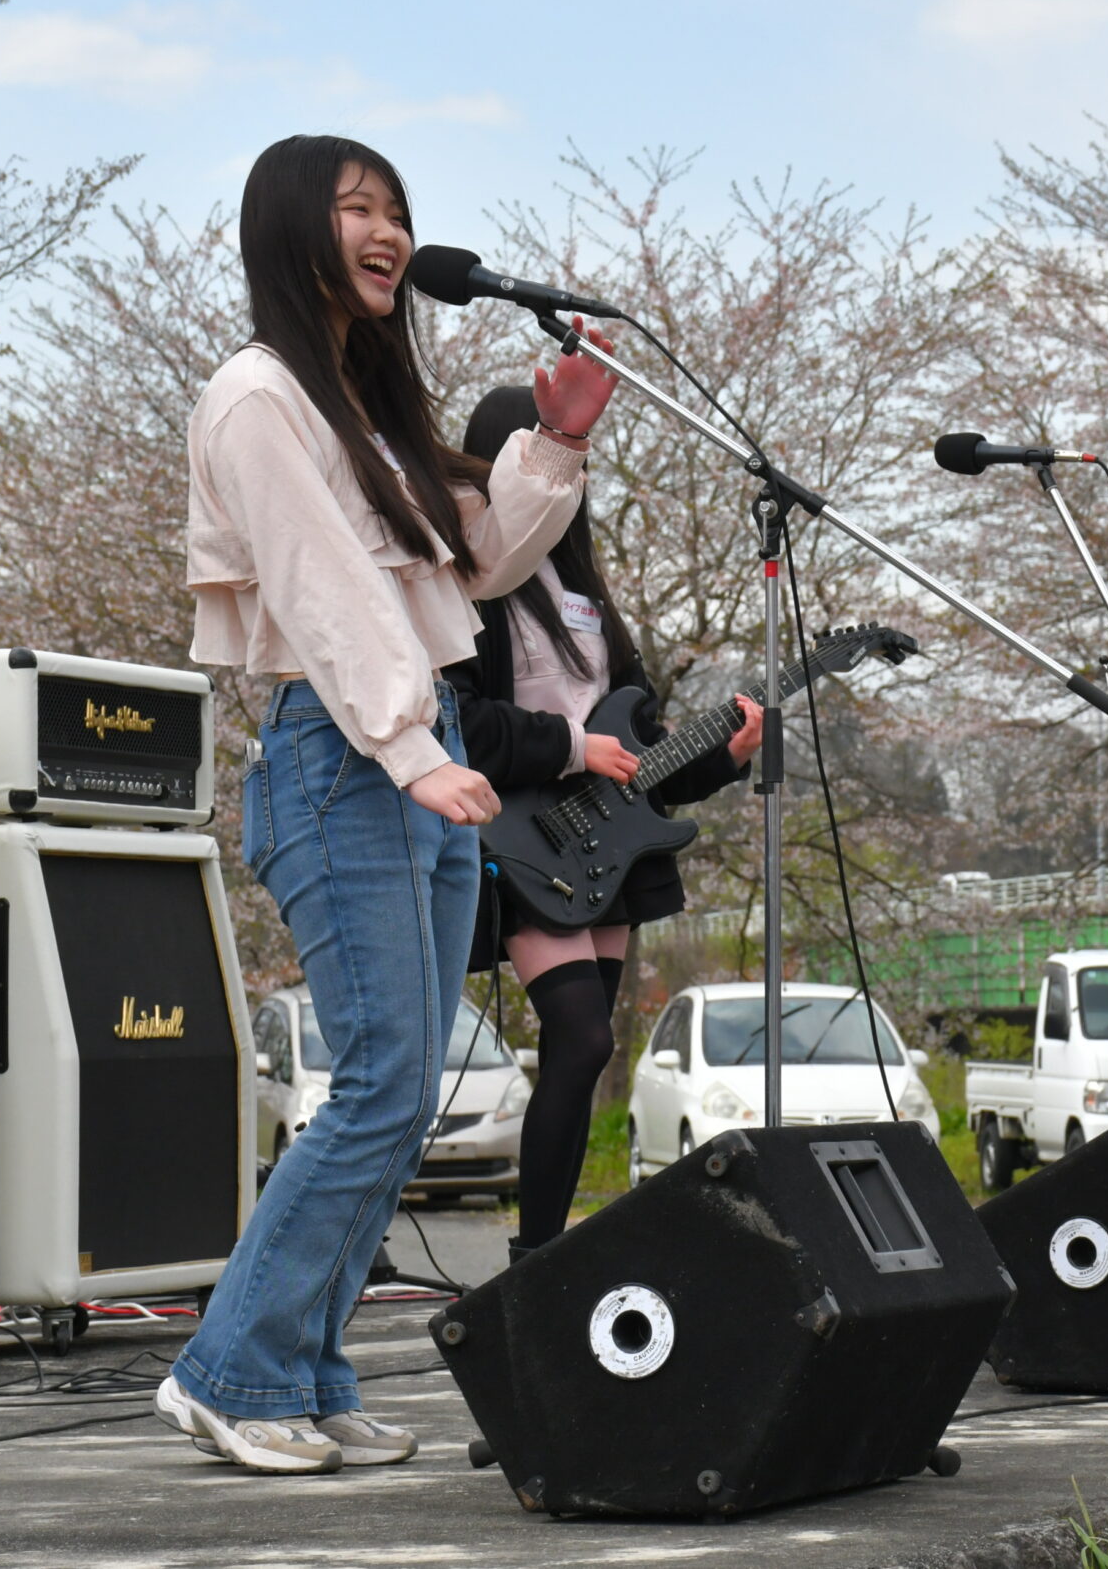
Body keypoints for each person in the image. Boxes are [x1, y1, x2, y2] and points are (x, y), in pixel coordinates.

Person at [156, 135, 617, 1474]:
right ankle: (229, 1371)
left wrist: (555, 444)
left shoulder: (360, 408)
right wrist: (410, 745)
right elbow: (322, 587)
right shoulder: (257, 395)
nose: (388, 233)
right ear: (289, 231)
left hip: (408, 744)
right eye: (355, 208)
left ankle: (301, 1371)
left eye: (396, 210)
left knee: (404, 1089)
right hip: (345, 747)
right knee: (377, 1084)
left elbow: (466, 565)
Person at [444, 384, 762, 1262]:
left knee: (582, 1052)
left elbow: (643, 752)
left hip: (607, 843)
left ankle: (546, 1256)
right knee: (581, 1038)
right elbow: (460, 724)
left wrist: (725, 757)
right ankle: (535, 1259)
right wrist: (570, 747)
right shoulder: (468, 588)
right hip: (524, 834)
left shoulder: (588, 593)